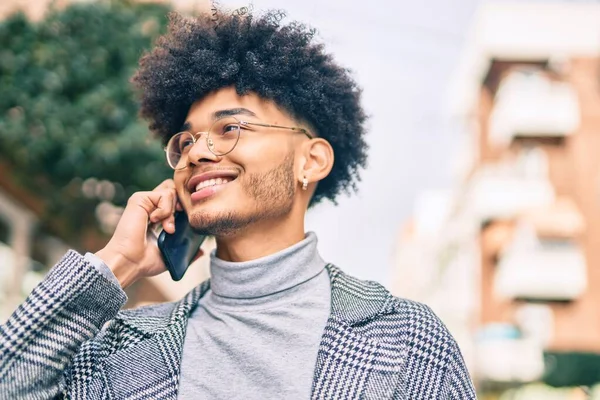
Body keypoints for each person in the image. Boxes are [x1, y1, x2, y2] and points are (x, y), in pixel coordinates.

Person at [0, 9, 476, 400]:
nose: (197, 152)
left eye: (230, 128)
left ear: (310, 160)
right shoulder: (123, 349)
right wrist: (117, 262)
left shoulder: (404, 343)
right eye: (185, 140)